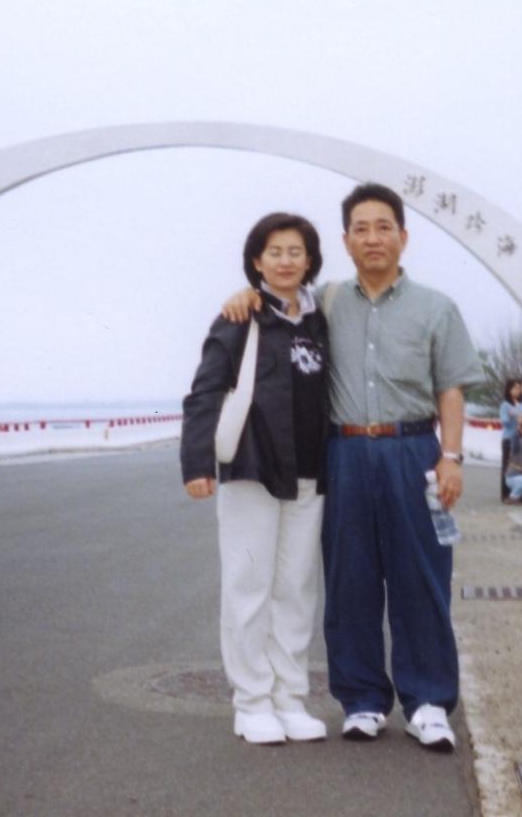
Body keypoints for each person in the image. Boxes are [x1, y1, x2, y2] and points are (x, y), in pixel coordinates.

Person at [223, 183, 482, 750]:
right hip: (343, 453)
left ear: (403, 236)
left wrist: (452, 457)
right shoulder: (326, 302)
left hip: (413, 451)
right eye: (360, 229)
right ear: (345, 241)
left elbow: (451, 388)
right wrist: (245, 294)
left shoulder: (436, 308)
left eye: (383, 227)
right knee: (350, 580)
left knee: (421, 577)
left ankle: (428, 703)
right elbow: (277, 298)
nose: (373, 238)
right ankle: (362, 701)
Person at [181, 212, 331, 745]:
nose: (286, 261)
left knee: (296, 591)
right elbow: (204, 391)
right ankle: (251, 702)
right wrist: (198, 463)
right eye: (275, 252)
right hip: (252, 469)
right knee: (249, 587)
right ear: (257, 262)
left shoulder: (319, 320)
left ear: (310, 260)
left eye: (296, 251)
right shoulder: (239, 317)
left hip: (310, 473)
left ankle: (290, 699)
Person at [498, 378, 522, 500]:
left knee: (518, 465)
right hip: (509, 438)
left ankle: (517, 491)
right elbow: (504, 421)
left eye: (519, 388)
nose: (517, 391)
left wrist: (520, 419)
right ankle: (505, 492)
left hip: (520, 438)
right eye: (515, 388)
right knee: (507, 465)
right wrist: (514, 416)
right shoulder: (505, 405)